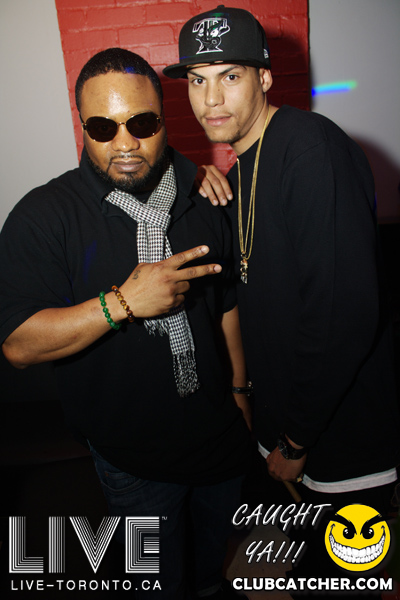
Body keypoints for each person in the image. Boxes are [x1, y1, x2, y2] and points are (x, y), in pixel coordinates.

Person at [0, 48, 253, 600]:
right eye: (102, 127)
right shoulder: (44, 215)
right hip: (132, 461)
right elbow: (18, 344)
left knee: (211, 568)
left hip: (221, 441)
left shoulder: (203, 194)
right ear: (82, 126)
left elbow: (226, 306)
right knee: (158, 585)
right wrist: (122, 303)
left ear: (164, 119)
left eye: (141, 123)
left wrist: (240, 394)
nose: (124, 143)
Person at [164, 5, 400, 593]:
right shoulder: (239, 172)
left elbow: (344, 313)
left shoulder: (311, 149)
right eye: (197, 80)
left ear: (265, 78)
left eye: (230, 76)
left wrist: (297, 438)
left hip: (342, 439)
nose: (211, 99)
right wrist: (187, 172)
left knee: (350, 575)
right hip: (295, 430)